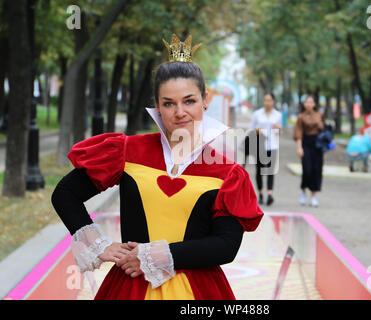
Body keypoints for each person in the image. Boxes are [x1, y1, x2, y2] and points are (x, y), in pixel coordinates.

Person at [51, 34, 264, 300]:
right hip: (129, 286)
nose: (180, 112)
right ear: (157, 106)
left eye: (189, 101)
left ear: (205, 99)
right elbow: (65, 193)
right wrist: (99, 245)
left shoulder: (228, 173)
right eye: (168, 103)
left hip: (197, 292)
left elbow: (225, 246)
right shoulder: (127, 151)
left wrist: (154, 257)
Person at [248, 93, 282, 206]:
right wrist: (256, 131)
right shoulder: (257, 114)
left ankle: (270, 194)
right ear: (263, 101)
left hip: (273, 145)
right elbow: (251, 129)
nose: (267, 102)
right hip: (259, 145)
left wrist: (279, 129)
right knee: (260, 171)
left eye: (270, 100)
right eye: (265, 100)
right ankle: (261, 194)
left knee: (271, 171)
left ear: (273, 101)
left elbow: (279, 132)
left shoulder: (278, 115)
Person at [293, 95, 325, 207]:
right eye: (307, 102)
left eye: (311, 102)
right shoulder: (301, 117)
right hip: (305, 143)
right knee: (307, 169)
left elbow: (324, 130)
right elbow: (298, 133)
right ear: (304, 104)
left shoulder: (319, 115)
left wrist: (322, 126)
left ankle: (313, 196)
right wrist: (299, 147)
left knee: (317, 170)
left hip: (317, 145)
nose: (309, 104)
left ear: (314, 104)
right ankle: (303, 191)